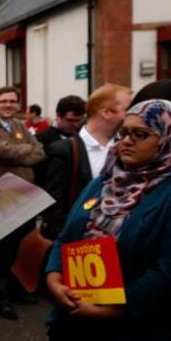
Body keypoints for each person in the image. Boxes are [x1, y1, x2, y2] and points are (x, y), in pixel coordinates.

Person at [44, 99, 171, 341]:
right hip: (73, 327)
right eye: (123, 134)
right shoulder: (105, 180)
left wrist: (115, 309)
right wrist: (54, 277)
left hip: (136, 338)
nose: (127, 142)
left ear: (169, 139)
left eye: (141, 134)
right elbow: (66, 236)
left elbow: (170, 271)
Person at [0, 86, 46, 320]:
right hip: (1, 195)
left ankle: (17, 290)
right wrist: (24, 152)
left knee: (20, 246)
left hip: (25, 194)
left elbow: (40, 152)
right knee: (0, 249)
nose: (8, 105)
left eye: (12, 101)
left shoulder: (19, 126)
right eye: (3, 101)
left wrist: (19, 152)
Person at [41, 85, 132, 240]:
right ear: (106, 113)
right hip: (77, 244)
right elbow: (53, 204)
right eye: (127, 109)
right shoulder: (64, 150)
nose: (133, 113)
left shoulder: (125, 147)